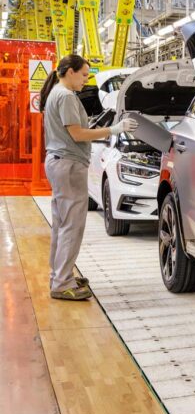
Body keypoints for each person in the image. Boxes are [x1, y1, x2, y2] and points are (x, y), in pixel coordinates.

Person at [40, 54, 138, 301]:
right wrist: (115, 129)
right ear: (70, 72)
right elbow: (77, 135)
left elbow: (74, 131)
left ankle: (60, 275)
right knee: (72, 226)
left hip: (59, 163)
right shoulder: (65, 96)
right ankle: (62, 283)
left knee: (62, 224)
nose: (86, 79)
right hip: (69, 165)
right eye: (84, 74)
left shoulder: (57, 93)